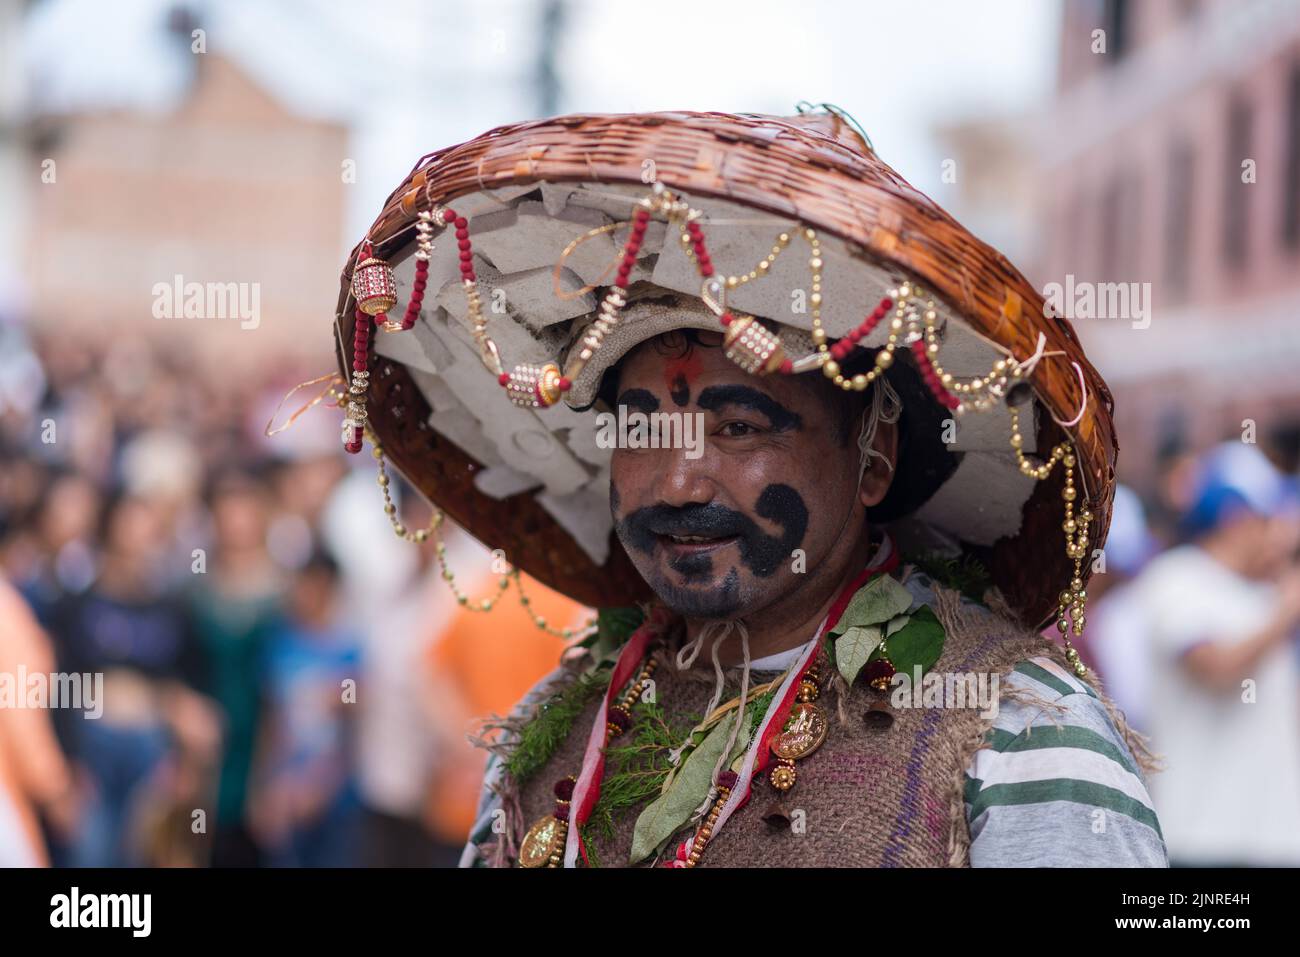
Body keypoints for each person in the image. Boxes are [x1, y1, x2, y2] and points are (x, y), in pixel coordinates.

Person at [330, 110, 1164, 868]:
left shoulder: (1017, 728)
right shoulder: (557, 723)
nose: (681, 477)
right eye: (646, 428)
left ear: (871, 461)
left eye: (738, 427)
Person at [1133, 443, 1300, 865]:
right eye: (1271, 519)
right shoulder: (1176, 579)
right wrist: (1288, 608)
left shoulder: (1262, 591)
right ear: (1238, 519)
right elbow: (1217, 668)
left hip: (1274, 843)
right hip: (1202, 839)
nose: (1282, 533)